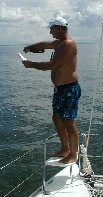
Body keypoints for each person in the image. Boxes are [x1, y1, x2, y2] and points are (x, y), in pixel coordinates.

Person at [22, 16, 81, 164]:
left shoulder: (68, 44)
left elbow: (52, 65)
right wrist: (30, 47)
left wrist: (31, 64)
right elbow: (45, 44)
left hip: (69, 88)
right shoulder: (59, 43)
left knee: (69, 122)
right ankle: (65, 149)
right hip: (60, 89)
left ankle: (73, 154)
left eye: (52, 28)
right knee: (56, 117)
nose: (50, 32)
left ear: (60, 28)